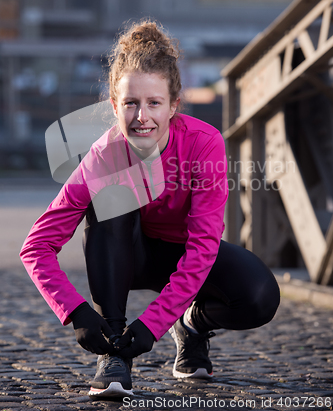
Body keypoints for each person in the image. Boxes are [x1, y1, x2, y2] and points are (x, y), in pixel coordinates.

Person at [20, 20, 280, 400]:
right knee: (110, 200)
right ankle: (113, 353)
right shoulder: (101, 157)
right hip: (128, 254)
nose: (142, 116)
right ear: (114, 105)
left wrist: (155, 323)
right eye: (130, 103)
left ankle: (192, 325)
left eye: (154, 103)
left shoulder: (204, 144)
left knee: (259, 296)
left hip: (186, 255)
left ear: (174, 104)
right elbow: (36, 246)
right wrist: (76, 312)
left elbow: (203, 247)